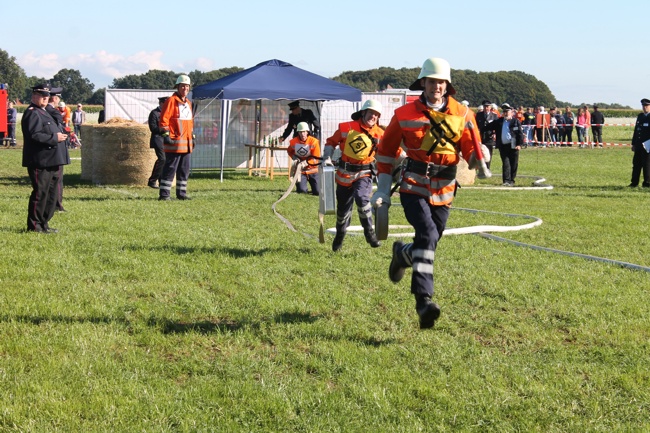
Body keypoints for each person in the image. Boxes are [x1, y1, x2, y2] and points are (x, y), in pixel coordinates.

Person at [371, 58, 487, 329]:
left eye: (442, 81)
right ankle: (424, 301)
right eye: (433, 80)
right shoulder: (404, 114)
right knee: (427, 234)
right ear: (423, 82)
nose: (437, 86)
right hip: (414, 185)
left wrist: (479, 160)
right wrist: (384, 189)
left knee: (430, 241)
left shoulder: (463, 114)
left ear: (448, 85)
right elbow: (386, 152)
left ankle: (403, 254)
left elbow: (471, 147)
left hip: (445, 188)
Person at [324, 99, 385, 252]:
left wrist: (406, 157)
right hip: (344, 174)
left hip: (364, 173)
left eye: (377, 115)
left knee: (362, 197)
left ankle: (369, 232)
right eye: (371, 113)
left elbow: (392, 150)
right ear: (363, 112)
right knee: (343, 210)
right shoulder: (346, 127)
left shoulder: (380, 133)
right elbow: (331, 143)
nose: (374, 117)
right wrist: (327, 157)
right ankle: (340, 234)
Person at [21, 84, 69, 233]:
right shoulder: (32, 113)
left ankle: (44, 223)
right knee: (40, 193)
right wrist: (54, 137)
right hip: (41, 160)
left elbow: (57, 120)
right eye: (42, 95)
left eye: (47, 96)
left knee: (51, 194)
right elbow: (34, 135)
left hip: (53, 159)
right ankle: (34, 226)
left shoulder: (45, 111)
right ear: (34, 96)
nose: (45, 98)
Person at [159, 74, 194, 201]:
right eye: (182, 86)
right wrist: (166, 134)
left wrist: (192, 136)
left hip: (187, 142)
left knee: (184, 170)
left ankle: (181, 193)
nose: (185, 88)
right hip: (174, 141)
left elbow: (189, 122)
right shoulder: (171, 101)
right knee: (170, 168)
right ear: (177, 87)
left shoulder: (188, 103)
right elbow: (164, 119)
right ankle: (164, 195)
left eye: (187, 86)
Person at [485, 103, 523, 186]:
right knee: (506, 163)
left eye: (507, 111)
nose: (506, 113)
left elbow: (520, 134)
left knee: (514, 163)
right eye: (504, 111)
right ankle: (506, 181)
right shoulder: (499, 121)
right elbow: (487, 127)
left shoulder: (515, 121)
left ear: (511, 112)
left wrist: (519, 144)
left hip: (513, 145)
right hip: (503, 146)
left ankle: (512, 180)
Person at [47, 88, 71, 212]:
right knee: (57, 180)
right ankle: (57, 204)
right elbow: (60, 130)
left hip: (48, 151)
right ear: (55, 99)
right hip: (56, 150)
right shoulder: (54, 112)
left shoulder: (43, 110)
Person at [287, 122, 321, 195]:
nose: (303, 134)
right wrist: (295, 158)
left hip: (313, 170)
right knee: (302, 191)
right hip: (300, 171)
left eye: (304, 132)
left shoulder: (314, 142)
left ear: (307, 132)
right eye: (301, 132)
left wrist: (304, 163)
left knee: (318, 192)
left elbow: (316, 158)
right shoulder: (293, 142)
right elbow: (289, 151)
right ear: (298, 132)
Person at [147, 96, 168, 188]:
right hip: (157, 138)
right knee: (162, 159)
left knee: (165, 160)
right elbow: (153, 128)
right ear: (161, 103)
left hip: (167, 139)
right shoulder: (154, 113)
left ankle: (161, 181)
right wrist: (163, 129)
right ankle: (152, 180)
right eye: (165, 104)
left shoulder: (168, 113)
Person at [629, 98, 650, 188]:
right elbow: (636, 131)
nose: (645, 108)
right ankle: (634, 182)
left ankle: (647, 182)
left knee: (647, 165)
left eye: (646, 106)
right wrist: (633, 143)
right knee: (636, 164)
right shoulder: (640, 116)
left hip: (648, 145)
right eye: (643, 106)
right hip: (638, 144)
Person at [475, 99, 498, 168]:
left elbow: (496, 126)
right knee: (480, 152)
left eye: (487, 106)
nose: (486, 108)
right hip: (481, 136)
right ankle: (480, 167)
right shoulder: (479, 115)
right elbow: (476, 125)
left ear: (490, 107)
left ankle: (487, 167)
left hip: (489, 137)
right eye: (485, 106)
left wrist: (495, 134)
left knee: (489, 153)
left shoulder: (494, 116)